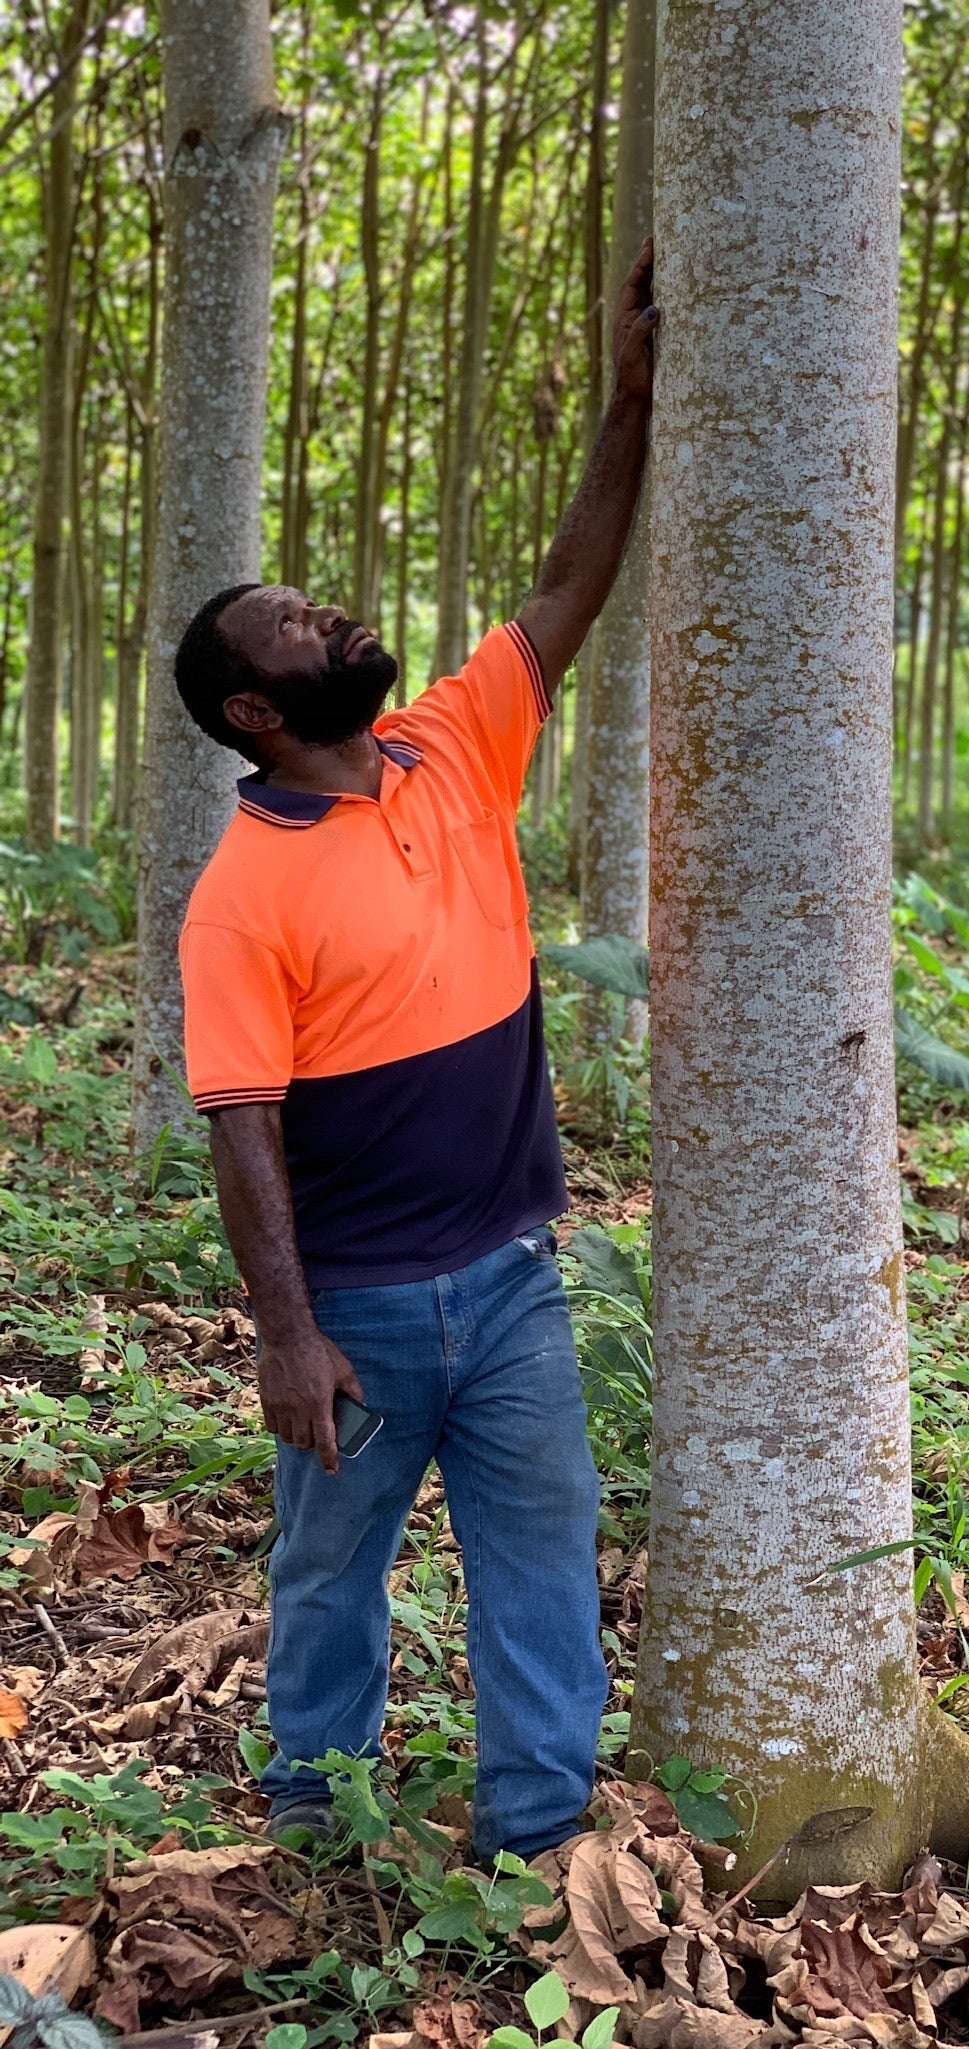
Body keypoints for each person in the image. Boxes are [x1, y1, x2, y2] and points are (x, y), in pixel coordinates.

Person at [174, 246, 657, 1859]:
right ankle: (318, 1831)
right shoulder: (243, 895)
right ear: (255, 710)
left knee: (543, 1547)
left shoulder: (449, 745)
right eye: (295, 625)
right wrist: (286, 1336)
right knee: (326, 1575)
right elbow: (242, 1129)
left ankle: (536, 1838)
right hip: (364, 1308)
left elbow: (569, 584)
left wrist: (629, 396)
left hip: (513, 1276)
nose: (331, 612)